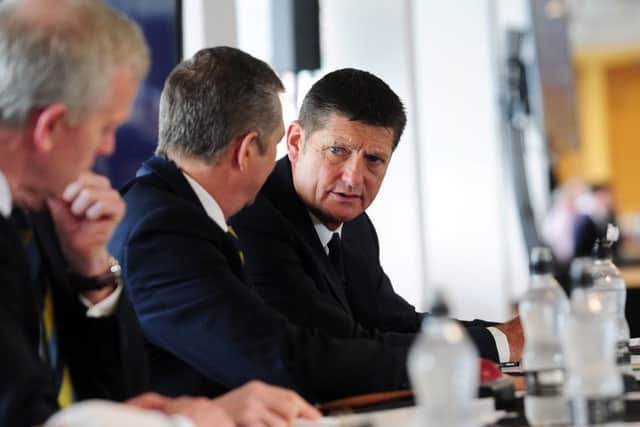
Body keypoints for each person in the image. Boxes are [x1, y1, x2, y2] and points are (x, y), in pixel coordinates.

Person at [0, 1, 318, 426]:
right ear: (51, 128)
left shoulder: (49, 214)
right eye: (105, 128)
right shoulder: (147, 219)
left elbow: (120, 398)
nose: (108, 148)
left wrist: (92, 273)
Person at [109, 47, 414, 403]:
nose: (277, 166)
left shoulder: (169, 212)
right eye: (273, 149)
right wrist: (436, 364)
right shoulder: (163, 231)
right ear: (248, 150)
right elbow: (282, 360)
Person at [229, 68, 523, 363]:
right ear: (295, 142)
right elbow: (339, 344)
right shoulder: (254, 218)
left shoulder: (356, 225)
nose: (353, 178)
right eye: (337, 151)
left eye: (374, 159)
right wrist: (498, 343)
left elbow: (393, 320)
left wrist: (507, 333)